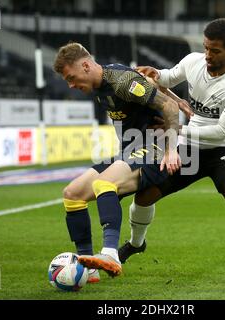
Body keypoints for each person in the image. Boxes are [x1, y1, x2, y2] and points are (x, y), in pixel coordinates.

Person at [118, 18, 225, 289]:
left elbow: (219, 132)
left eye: (215, 50)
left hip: (222, 149)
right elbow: (168, 77)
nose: (208, 55)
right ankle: (136, 244)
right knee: (144, 195)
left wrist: (178, 131)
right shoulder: (194, 61)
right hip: (189, 150)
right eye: (206, 48)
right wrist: (154, 74)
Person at [52, 42, 181, 281]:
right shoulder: (101, 87)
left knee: (103, 183)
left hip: (153, 151)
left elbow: (170, 107)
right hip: (130, 152)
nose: (71, 85)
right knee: (72, 194)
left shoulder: (123, 82)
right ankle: (87, 268)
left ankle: (110, 254)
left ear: (86, 65)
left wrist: (171, 150)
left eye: (71, 77)